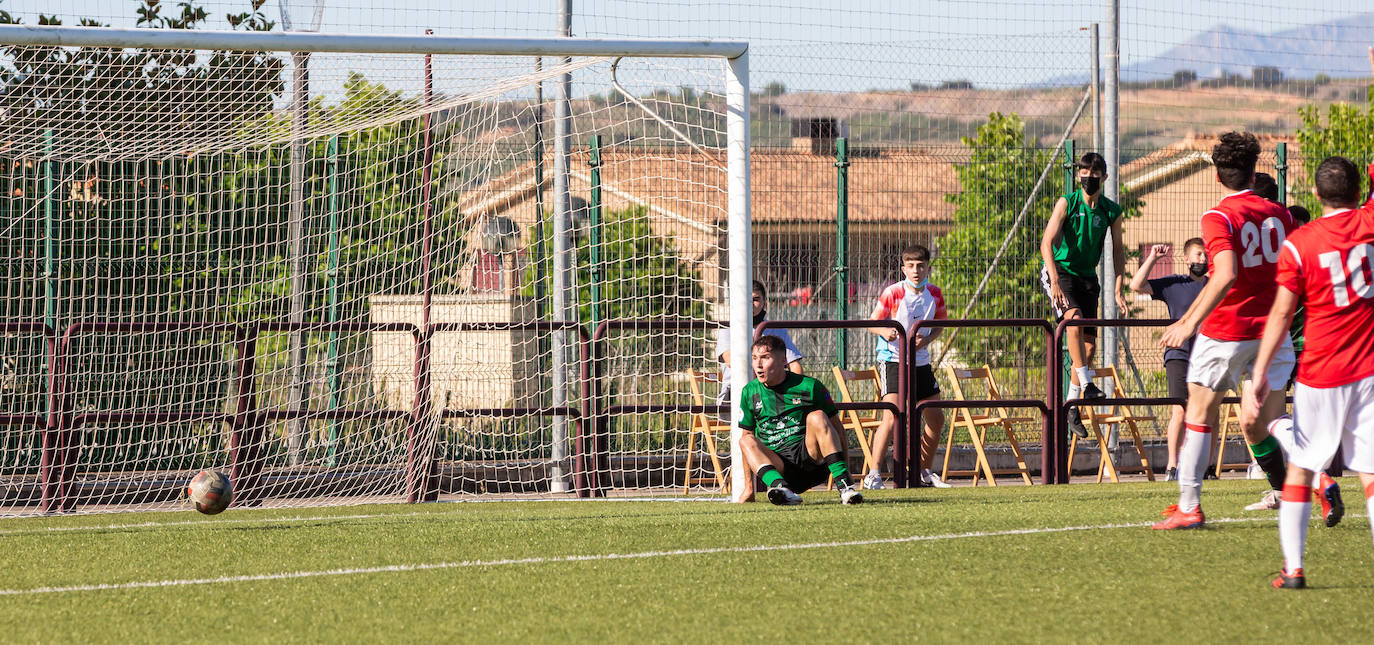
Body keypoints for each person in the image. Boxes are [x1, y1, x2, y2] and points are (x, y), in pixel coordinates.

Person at [1153, 132, 1296, 530]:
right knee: (1268, 422)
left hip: (1227, 329)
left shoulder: (1217, 217)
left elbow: (1227, 274)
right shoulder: (1280, 215)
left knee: (1199, 412)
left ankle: (1189, 506)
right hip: (1272, 332)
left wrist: (1187, 323)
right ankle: (1313, 479)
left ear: (1217, 177)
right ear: (1254, 171)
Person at [1242, 156, 1373, 588]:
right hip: (1369, 369)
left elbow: (1282, 313)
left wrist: (1260, 371)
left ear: (1316, 195)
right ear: (1359, 191)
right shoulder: (1371, 225)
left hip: (1322, 371)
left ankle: (1294, 569)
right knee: (1370, 472)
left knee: (1300, 467)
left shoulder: (1302, 241)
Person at [1039, 152, 1129, 439]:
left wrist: (1118, 288)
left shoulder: (1111, 210)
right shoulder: (1068, 202)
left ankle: (1071, 405)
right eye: (1083, 173)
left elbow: (1117, 250)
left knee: (1088, 350)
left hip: (1088, 277)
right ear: (1078, 175)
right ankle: (1087, 387)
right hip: (1061, 271)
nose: (1088, 177)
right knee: (1073, 321)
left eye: (1094, 173)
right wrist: (1053, 280)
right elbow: (1046, 243)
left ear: (1104, 177)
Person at [736, 335, 863, 506]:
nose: (758, 364)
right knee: (745, 439)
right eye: (754, 358)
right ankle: (783, 490)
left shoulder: (810, 386)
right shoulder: (749, 392)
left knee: (817, 416)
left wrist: (846, 470)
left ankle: (846, 488)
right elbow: (747, 440)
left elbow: (837, 428)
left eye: (765, 357)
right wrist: (749, 488)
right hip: (779, 468)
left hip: (811, 461)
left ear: (783, 360)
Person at [864, 244, 948, 489]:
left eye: (920, 266)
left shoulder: (935, 293)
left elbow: (940, 325)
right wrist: (885, 331)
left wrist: (927, 340)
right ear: (903, 268)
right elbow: (871, 323)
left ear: (927, 268)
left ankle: (923, 471)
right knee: (892, 416)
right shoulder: (892, 292)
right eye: (910, 266)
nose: (916, 270)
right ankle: (874, 474)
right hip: (892, 359)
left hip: (921, 362)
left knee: (936, 417)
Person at [1128, 239, 1207, 481]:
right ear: (1186, 259)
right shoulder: (1174, 283)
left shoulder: (1214, 285)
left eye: (1206, 255)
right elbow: (1136, 285)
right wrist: (1152, 257)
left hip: (1206, 355)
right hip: (1179, 354)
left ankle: (1204, 467)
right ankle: (1172, 467)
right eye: (1198, 255)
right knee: (1180, 411)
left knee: (1207, 413)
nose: (1202, 260)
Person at [715, 279, 803, 408]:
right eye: (746, 299)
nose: (750, 304)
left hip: (774, 392)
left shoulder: (776, 329)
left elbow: (794, 365)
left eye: (756, 299)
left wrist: (795, 391)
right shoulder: (727, 329)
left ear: (764, 303)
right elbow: (731, 360)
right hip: (736, 394)